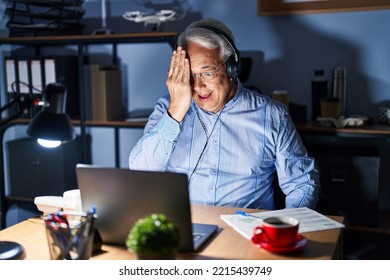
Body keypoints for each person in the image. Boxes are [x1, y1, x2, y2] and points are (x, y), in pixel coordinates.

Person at [129, 18, 320, 210]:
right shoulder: (167, 109)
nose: (198, 86)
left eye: (208, 72)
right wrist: (175, 112)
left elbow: (302, 183)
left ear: (232, 68)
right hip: (184, 230)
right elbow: (140, 172)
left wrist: (287, 229)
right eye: (189, 76)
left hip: (246, 232)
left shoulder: (271, 115)